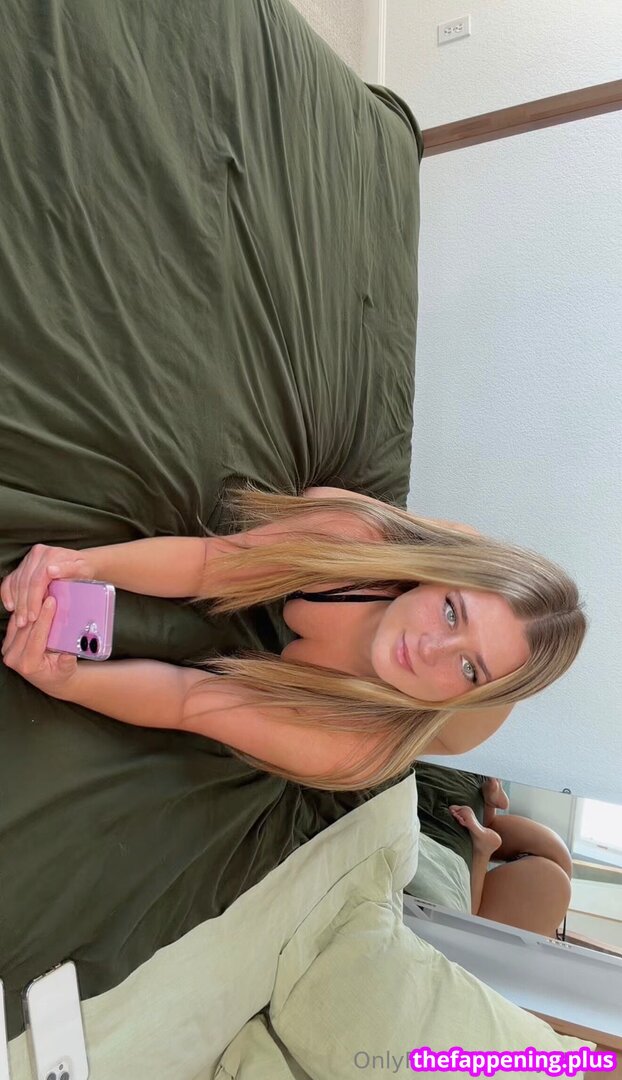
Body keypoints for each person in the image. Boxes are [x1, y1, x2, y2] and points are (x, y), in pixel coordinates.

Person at [1, 483, 586, 791]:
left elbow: (189, 699)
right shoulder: (359, 539)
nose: (432, 649)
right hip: (400, 552)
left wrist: (70, 682)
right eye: (452, 612)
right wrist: (82, 564)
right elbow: (212, 563)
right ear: (435, 577)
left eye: (469, 668)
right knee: (329, 510)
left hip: (423, 723)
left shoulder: (355, 749)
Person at [416, 766, 573, 937]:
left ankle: (490, 804)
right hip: (546, 890)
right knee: (469, 921)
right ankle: (483, 849)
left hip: (557, 857)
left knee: (491, 826)